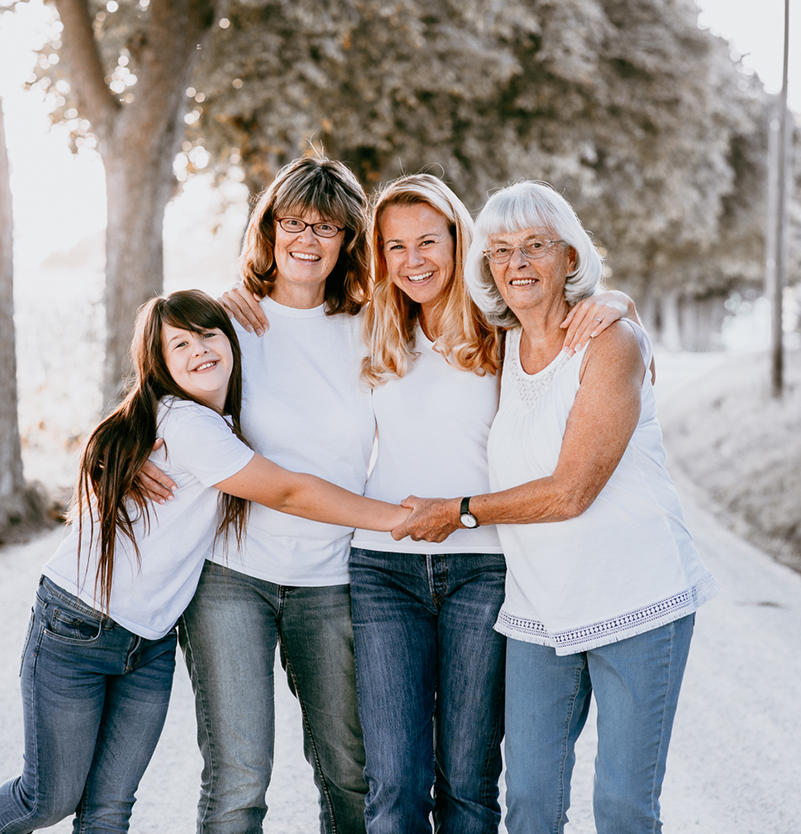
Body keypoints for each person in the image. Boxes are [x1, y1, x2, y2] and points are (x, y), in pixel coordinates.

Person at [225, 172, 642, 834]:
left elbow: (584, 323)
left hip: (484, 569)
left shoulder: (501, 329)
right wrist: (231, 296)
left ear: (460, 241)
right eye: (394, 247)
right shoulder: (370, 327)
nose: (412, 260)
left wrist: (616, 301)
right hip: (382, 570)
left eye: (428, 241)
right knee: (393, 782)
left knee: (470, 780)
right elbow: (288, 317)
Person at [0, 290, 406, 834]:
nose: (199, 349)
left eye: (208, 335)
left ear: (232, 342)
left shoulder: (210, 426)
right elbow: (288, 492)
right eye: (179, 344)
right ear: (159, 364)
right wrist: (401, 517)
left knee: (108, 809)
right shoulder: (184, 423)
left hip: (148, 642)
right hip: (76, 626)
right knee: (46, 800)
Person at [392, 181, 719, 834]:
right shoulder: (498, 346)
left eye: (536, 246)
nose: (518, 263)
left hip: (636, 597)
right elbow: (410, 296)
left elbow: (573, 490)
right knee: (532, 805)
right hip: (540, 609)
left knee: (624, 807)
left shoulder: (609, 341)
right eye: (502, 250)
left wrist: (459, 510)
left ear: (570, 257)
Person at [171, 157, 374, 834]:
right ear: (270, 227)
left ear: (349, 241)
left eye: (328, 227)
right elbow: (158, 404)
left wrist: (610, 301)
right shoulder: (228, 321)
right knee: (238, 781)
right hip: (233, 581)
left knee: (351, 771)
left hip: (334, 582)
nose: (307, 240)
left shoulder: (373, 325)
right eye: (293, 222)